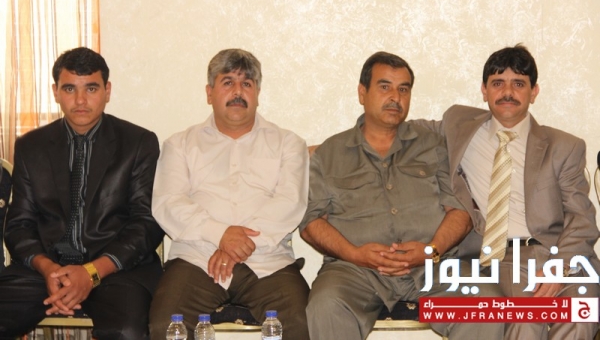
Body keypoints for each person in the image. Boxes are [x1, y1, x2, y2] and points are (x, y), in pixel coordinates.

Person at [300, 51, 504, 340]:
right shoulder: (330, 154)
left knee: (485, 304)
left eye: (403, 89)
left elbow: (460, 210)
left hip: (434, 268)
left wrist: (431, 250)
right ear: (362, 92)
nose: (395, 97)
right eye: (385, 87)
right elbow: (311, 223)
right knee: (326, 306)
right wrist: (355, 254)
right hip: (354, 271)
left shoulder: (434, 146)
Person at [416, 44, 599, 339]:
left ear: (534, 92)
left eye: (519, 84)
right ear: (484, 90)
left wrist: (559, 267)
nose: (508, 92)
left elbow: (582, 219)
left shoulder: (564, 146)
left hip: (564, 255)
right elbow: (397, 131)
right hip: (505, 258)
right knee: (526, 320)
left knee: (579, 315)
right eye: (498, 83)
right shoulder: (458, 125)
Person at [0, 47, 164, 340]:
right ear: (55, 92)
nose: (80, 100)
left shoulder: (138, 143)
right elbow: (18, 225)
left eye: (91, 88)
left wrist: (91, 273)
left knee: (126, 332)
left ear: (107, 91)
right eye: (69, 89)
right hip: (46, 270)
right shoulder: (31, 146)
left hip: (115, 270)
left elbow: (146, 224)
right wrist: (48, 269)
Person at [149, 49, 310, 339]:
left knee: (300, 324)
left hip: (268, 262)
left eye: (246, 83)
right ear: (209, 93)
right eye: (228, 83)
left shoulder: (288, 143)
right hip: (197, 259)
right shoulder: (180, 144)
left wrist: (236, 243)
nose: (238, 92)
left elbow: (290, 202)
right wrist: (220, 234)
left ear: (257, 92)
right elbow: (169, 203)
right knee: (166, 327)